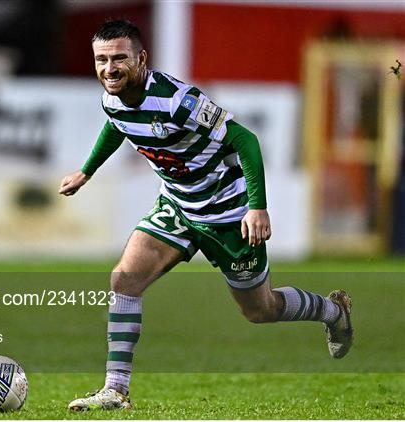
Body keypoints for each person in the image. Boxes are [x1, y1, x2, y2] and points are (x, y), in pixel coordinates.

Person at [59, 19, 353, 411]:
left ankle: (334, 311)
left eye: (119, 59)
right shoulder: (111, 97)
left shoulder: (179, 100)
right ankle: (115, 391)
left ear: (141, 58)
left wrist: (257, 206)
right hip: (179, 207)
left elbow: (244, 139)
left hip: (228, 213)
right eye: (101, 60)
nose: (109, 68)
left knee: (260, 310)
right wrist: (87, 171)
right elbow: (118, 124)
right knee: (123, 281)